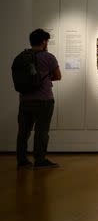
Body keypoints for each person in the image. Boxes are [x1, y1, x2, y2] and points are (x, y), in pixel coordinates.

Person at [16, 29, 62, 168]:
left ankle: (22, 161)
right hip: (44, 100)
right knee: (41, 131)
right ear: (43, 41)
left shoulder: (22, 57)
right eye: (47, 41)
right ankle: (40, 160)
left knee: (23, 132)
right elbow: (58, 76)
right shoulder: (48, 57)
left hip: (25, 100)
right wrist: (47, 78)